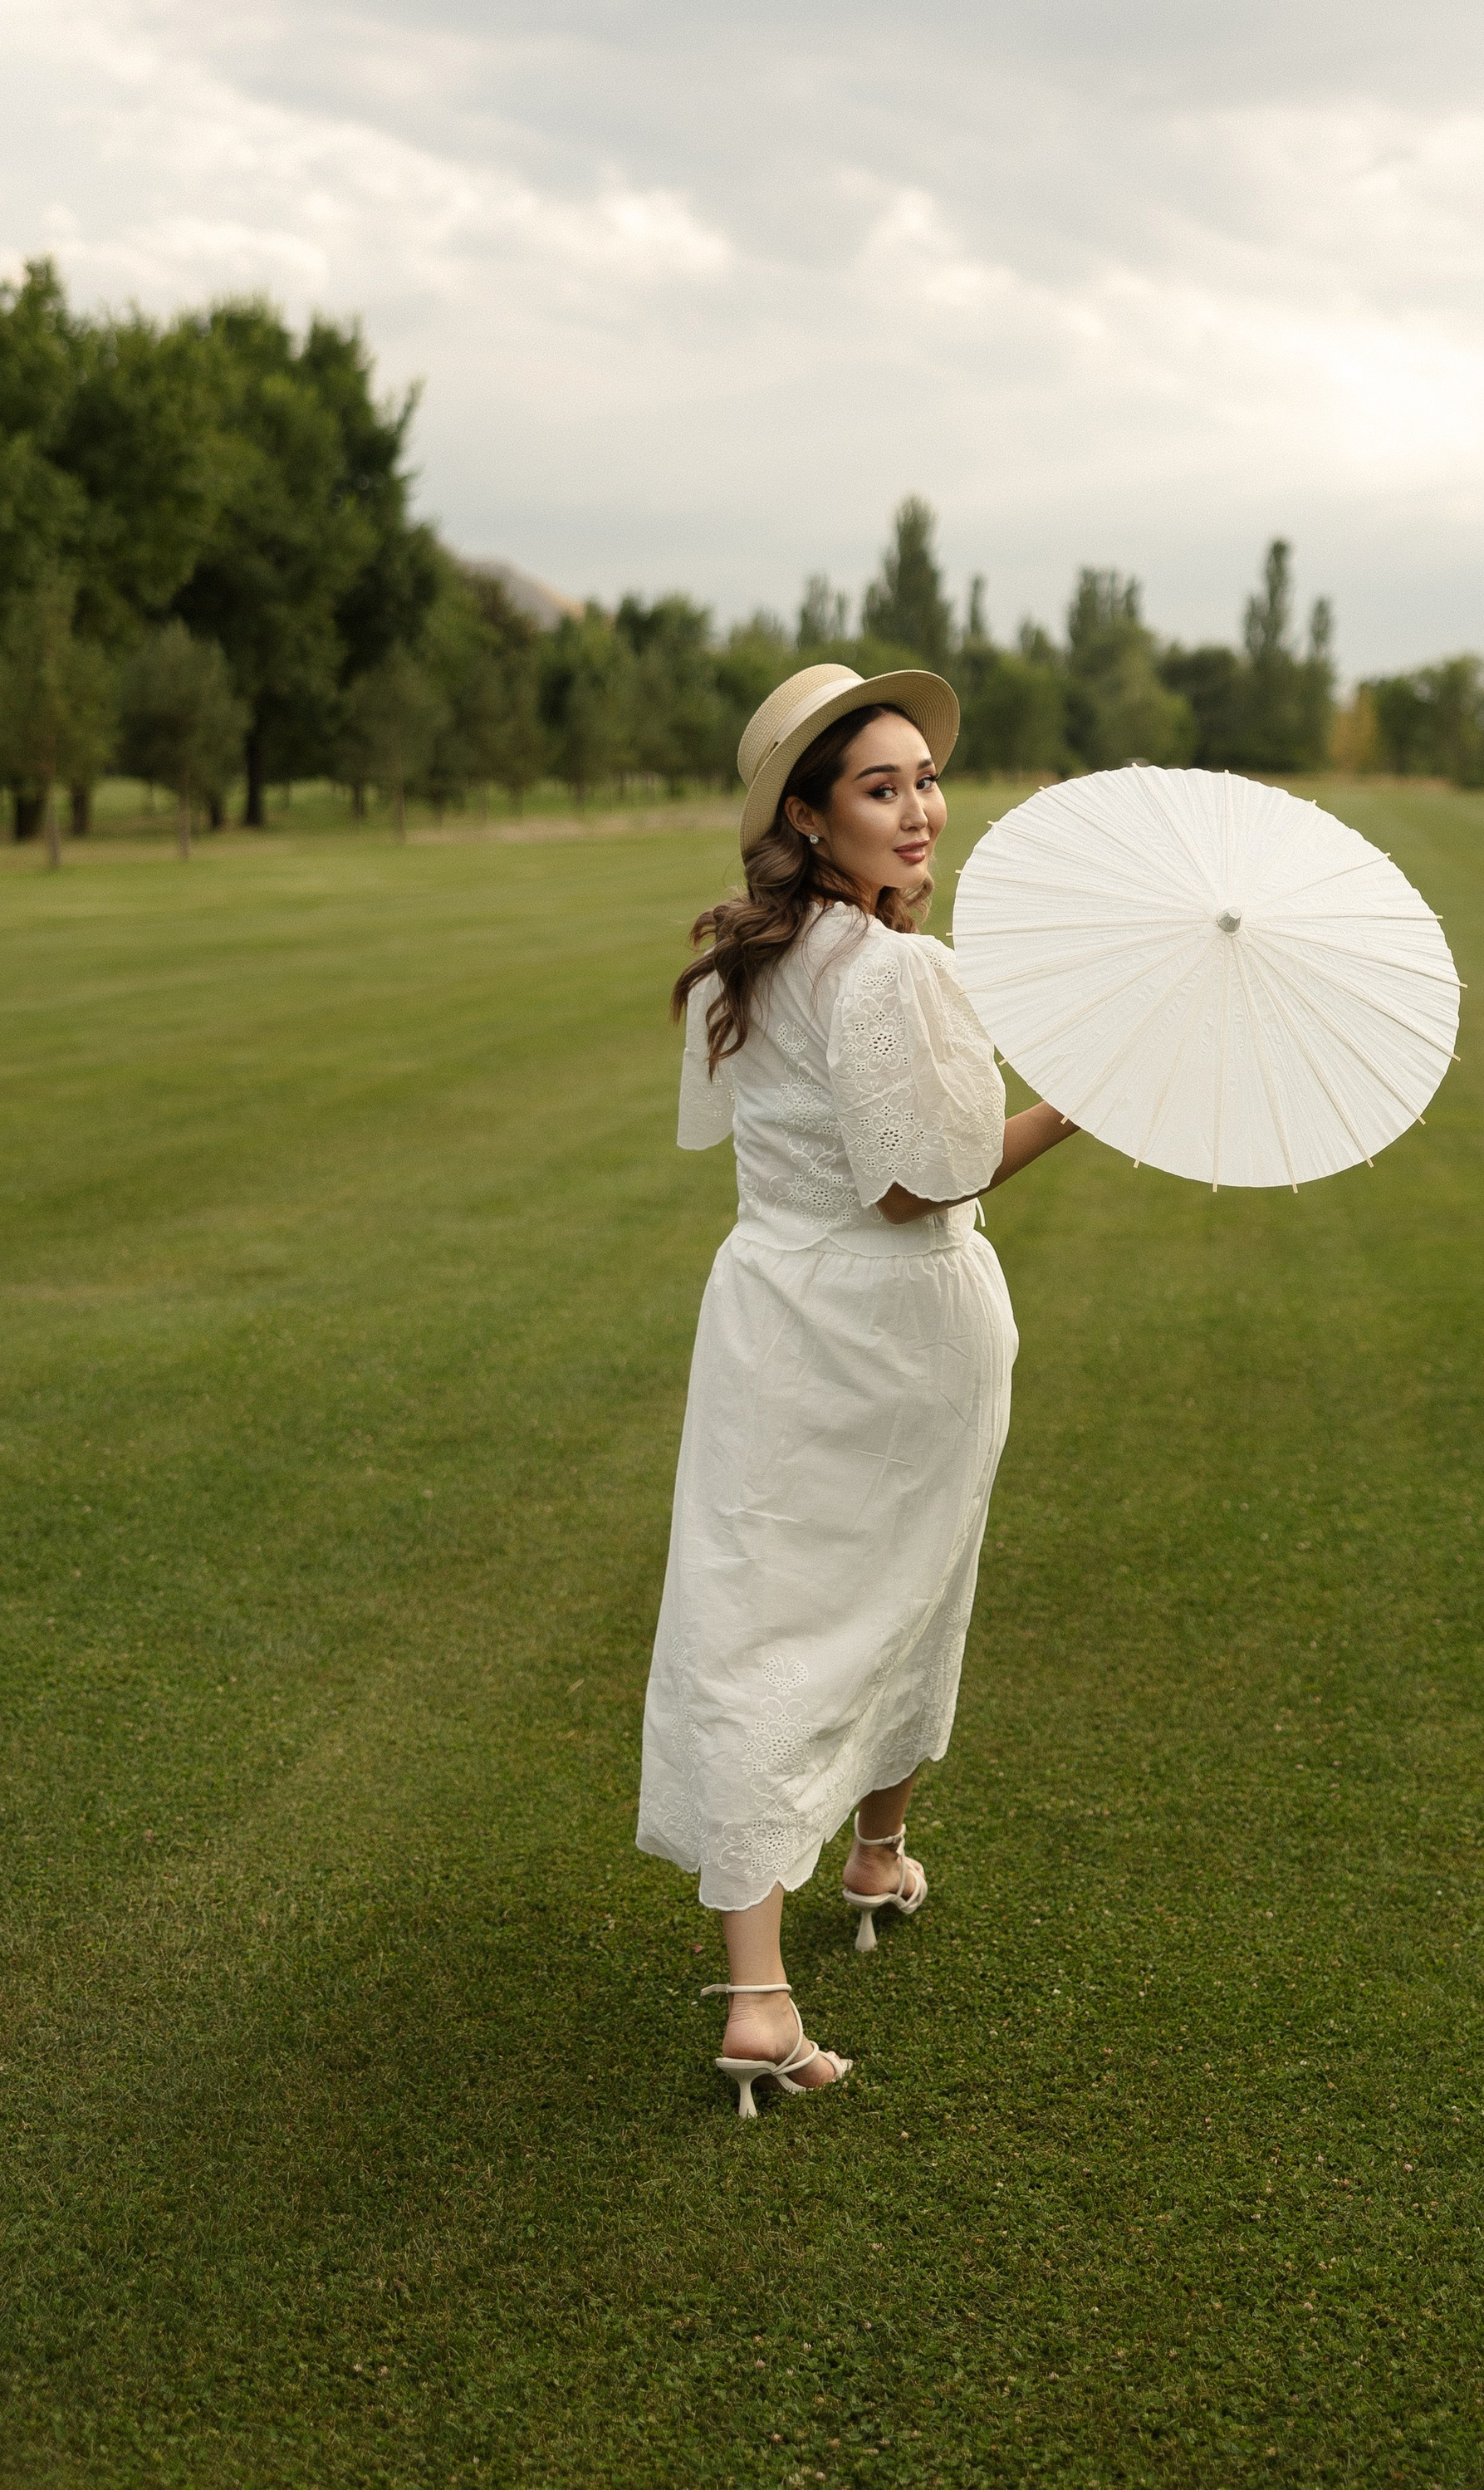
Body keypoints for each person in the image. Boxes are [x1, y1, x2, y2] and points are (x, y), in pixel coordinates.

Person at [637, 662, 1080, 2118]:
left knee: (790, 1591)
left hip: (770, 1308)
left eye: (927, 781)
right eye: (881, 788)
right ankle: (758, 2002)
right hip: (890, 1324)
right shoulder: (893, 969)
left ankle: (875, 1853)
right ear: (811, 818)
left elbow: (770, 1153)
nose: (921, 811)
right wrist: (1078, 1099)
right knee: (843, 1609)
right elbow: (918, 1186)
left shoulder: (751, 961)